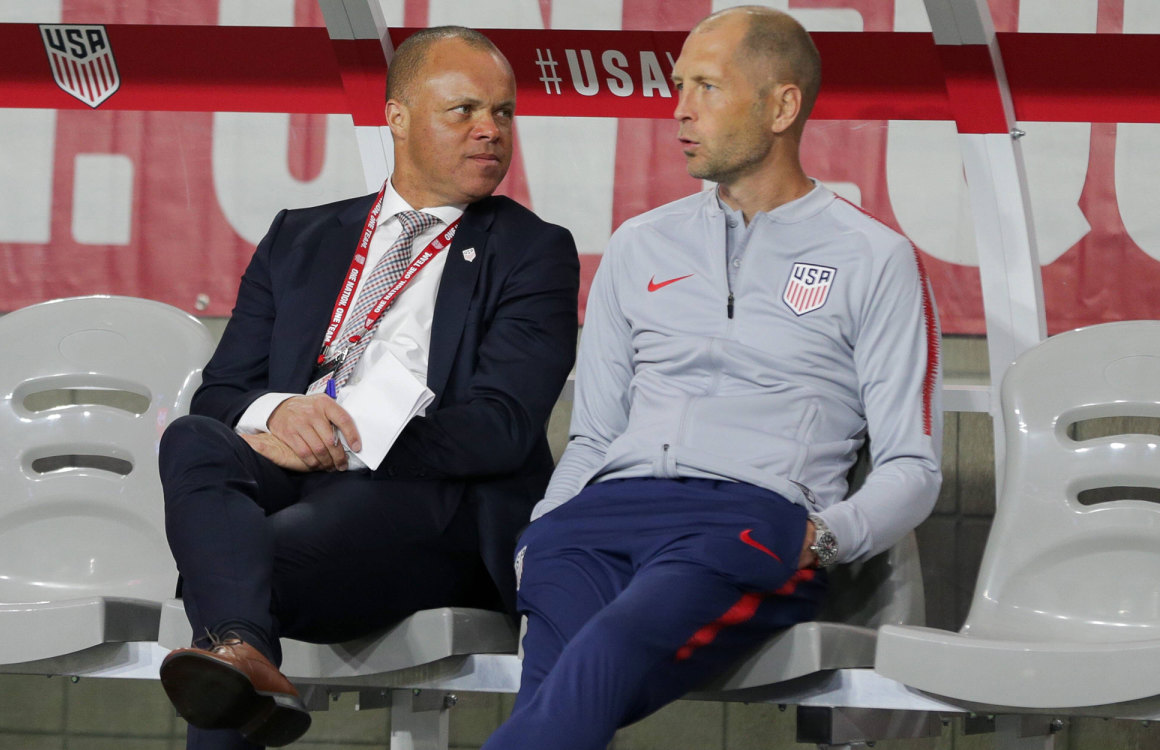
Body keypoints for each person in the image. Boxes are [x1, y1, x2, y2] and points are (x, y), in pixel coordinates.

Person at [482, 7, 941, 750]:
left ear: (782, 105)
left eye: (707, 86)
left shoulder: (874, 257)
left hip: (745, 522)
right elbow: (595, 434)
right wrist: (541, 532)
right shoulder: (639, 244)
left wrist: (824, 538)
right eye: (678, 85)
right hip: (597, 519)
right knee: (561, 682)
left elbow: (912, 467)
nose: (679, 110)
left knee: (600, 656)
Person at [157, 26, 579, 749]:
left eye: (504, 113)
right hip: (288, 469)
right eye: (465, 111)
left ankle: (237, 646)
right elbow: (224, 392)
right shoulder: (301, 236)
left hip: (426, 498)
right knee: (192, 440)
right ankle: (242, 649)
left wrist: (349, 439)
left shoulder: (534, 250)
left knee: (230, 574)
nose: (492, 131)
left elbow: (502, 426)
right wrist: (285, 411)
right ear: (398, 117)